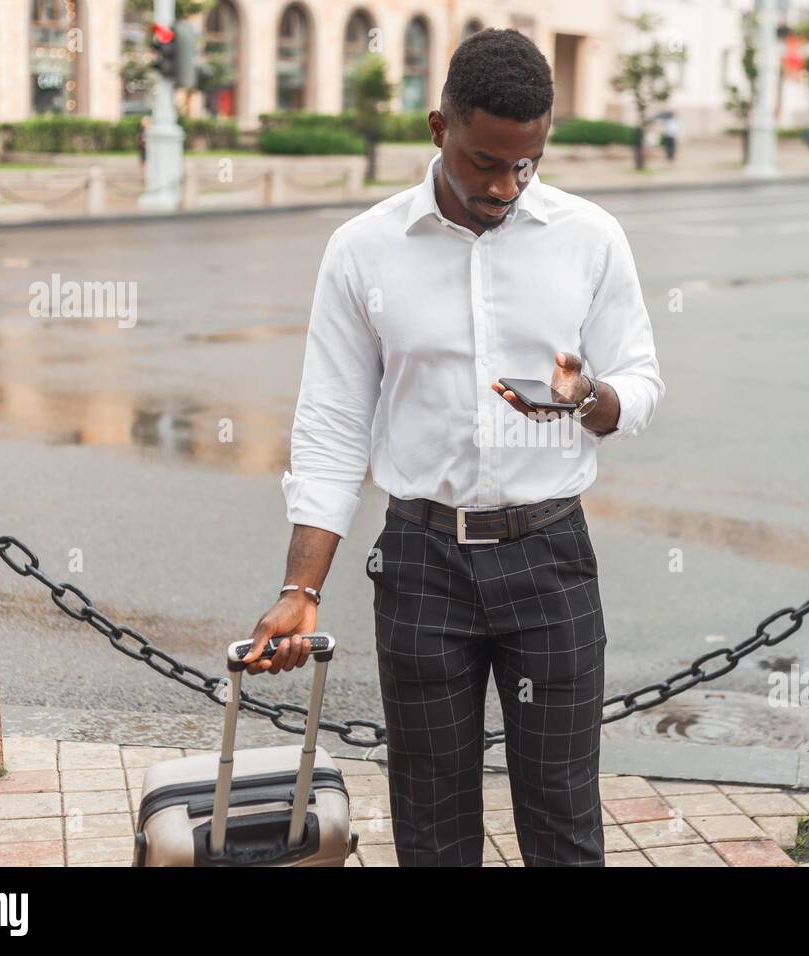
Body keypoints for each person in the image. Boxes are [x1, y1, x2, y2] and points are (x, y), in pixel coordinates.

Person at [243, 28, 665, 867]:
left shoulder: (588, 237)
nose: (507, 186)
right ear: (439, 129)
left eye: (528, 164)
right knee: (432, 829)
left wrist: (591, 398)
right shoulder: (363, 250)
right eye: (485, 163)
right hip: (422, 563)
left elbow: (641, 382)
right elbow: (330, 424)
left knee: (564, 825)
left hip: (550, 561)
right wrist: (300, 586)